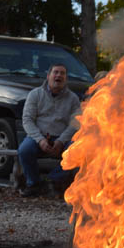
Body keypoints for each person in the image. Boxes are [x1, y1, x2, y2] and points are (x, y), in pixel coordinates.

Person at [18, 63, 81, 197]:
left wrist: (60, 141)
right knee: (24, 150)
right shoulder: (35, 94)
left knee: (78, 151)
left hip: (62, 139)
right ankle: (34, 184)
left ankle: (51, 181)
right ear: (48, 76)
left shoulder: (73, 99)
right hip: (38, 137)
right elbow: (27, 120)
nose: (59, 75)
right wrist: (40, 140)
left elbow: (75, 124)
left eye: (62, 73)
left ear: (66, 78)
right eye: (56, 72)